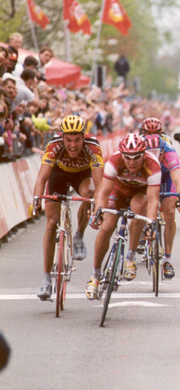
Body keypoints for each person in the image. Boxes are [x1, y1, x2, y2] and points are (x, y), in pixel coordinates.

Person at [32, 115, 104, 299]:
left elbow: (100, 186)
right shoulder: (54, 145)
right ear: (62, 137)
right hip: (58, 175)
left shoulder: (93, 146)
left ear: (83, 137)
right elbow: (41, 178)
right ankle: (46, 278)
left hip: (83, 175)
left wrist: (97, 209)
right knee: (51, 224)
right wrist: (36, 202)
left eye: (77, 140)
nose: (73, 145)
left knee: (89, 194)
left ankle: (79, 234)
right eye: (69, 140)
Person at [86, 134, 161, 299]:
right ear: (122, 156)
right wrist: (98, 211)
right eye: (128, 158)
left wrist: (151, 224)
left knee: (139, 207)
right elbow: (103, 192)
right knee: (106, 227)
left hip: (139, 193)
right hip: (117, 191)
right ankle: (95, 275)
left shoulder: (153, 165)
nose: (132, 162)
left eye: (136, 157)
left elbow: (153, 200)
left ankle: (130, 258)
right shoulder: (114, 162)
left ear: (144, 155)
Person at [141, 117, 180, 279]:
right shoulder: (138, 145)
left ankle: (167, 259)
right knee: (141, 203)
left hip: (165, 176)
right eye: (148, 133)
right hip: (145, 175)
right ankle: (142, 228)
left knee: (169, 212)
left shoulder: (167, 147)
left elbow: (178, 179)